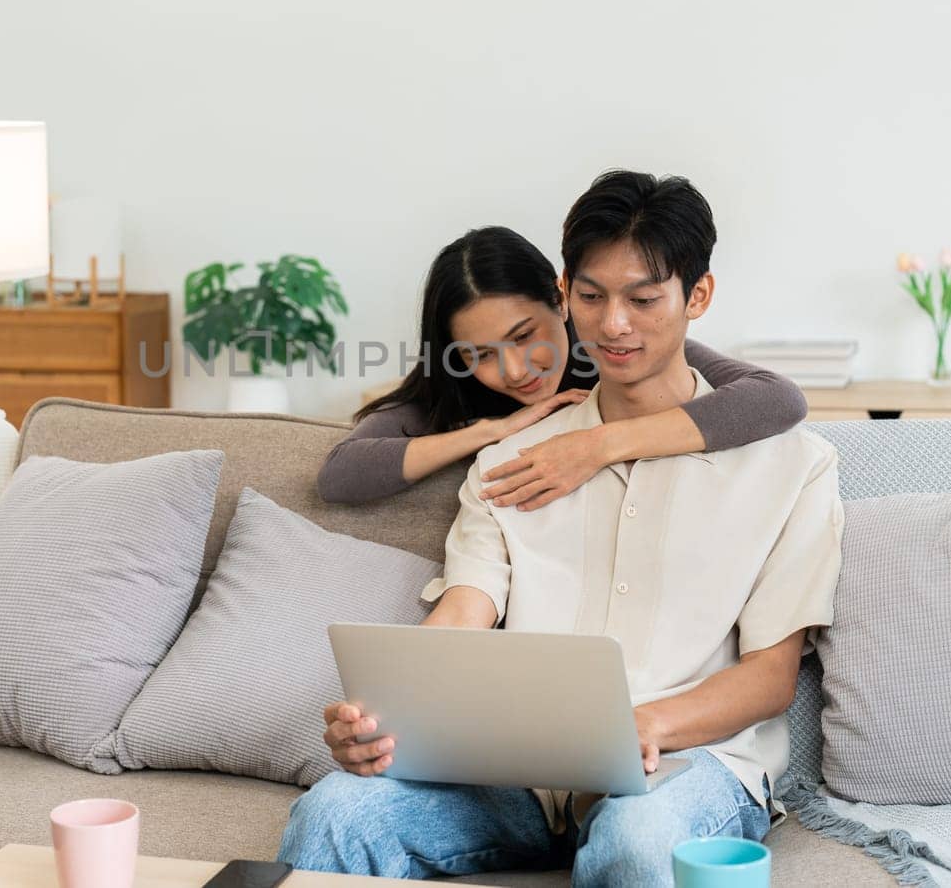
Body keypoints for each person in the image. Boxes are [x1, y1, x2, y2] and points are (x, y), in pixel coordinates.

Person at [279, 171, 844, 888]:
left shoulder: (792, 466)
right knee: (337, 810)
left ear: (696, 296)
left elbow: (768, 679)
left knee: (636, 839)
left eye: (643, 299)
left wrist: (643, 725)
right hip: (517, 780)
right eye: (592, 296)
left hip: (686, 764)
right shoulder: (508, 463)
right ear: (564, 288)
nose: (614, 324)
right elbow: (463, 611)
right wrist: (388, 714)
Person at [316, 226, 806, 510]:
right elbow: (340, 477)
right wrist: (491, 431)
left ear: (562, 297)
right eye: (480, 354)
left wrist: (595, 446)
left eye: (524, 335)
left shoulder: (613, 350)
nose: (513, 370)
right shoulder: (454, 388)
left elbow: (777, 398)